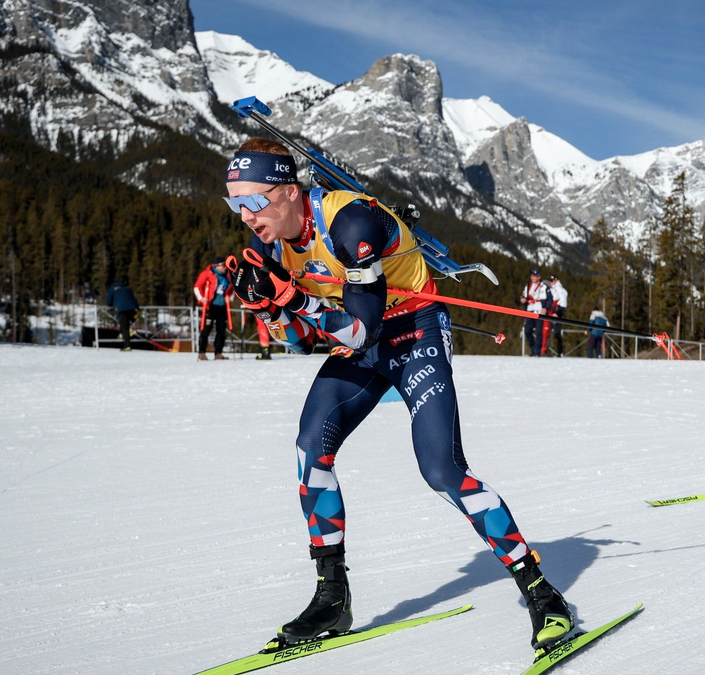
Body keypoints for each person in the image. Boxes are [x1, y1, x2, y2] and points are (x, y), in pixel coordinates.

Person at [221, 138, 572, 654]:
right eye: (234, 205)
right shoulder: (276, 245)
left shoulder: (352, 223)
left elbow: (361, 330)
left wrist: (292, 298)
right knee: (309, 451)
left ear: (290, 192)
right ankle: (332, 597)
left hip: (413, 333)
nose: (246, 216)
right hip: (362, 341)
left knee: (442, 470)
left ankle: (540, 590)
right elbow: (296, 341)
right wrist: (267, 309)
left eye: (252, 201)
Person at [194, 256, 234, 360]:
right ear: (216, 266)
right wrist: (201, 298)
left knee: (221, 330)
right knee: (206, 329)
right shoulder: (207, 274)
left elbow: (232, 288)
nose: (225, 267)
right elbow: (197, 287)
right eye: (223, 265)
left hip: (222, 306)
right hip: (210, 306)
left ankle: (218, 353)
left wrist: (230, 297)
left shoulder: (227, 276)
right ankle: (202, 352)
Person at [520, 269, 550, 356]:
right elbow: (524, 295)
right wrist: (523, 300)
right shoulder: (528, 286)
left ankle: (537, 351)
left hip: (539, 311)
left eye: (535, 276)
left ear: (539, 277)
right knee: (527, 330)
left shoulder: (543, 287)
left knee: (539, 332)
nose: (533, 277)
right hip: (529, 310)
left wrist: (545, 308)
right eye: (532, 275)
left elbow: (549, 299)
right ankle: (533, 348)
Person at [105, 281, 139, 351]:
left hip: (122, 310)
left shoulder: (112, 289)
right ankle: (125, 333)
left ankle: (127, 345)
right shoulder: (128, 289)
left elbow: (108, 302)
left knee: (124, 326)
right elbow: (134, 300)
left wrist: (114, 303)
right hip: (133, 310)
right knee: (126, 324)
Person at [545, 275, 569, 356]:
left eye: (552, 280)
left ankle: (560, 351)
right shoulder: (552, 289)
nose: (551, 282)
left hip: (556, 313)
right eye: (550, 280)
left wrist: (557, 313)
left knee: (557, 333)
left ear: (556, 280)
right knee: (547, 332)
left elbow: (563, 303)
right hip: (550, 312)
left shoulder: (560, 289)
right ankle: (545, 351)